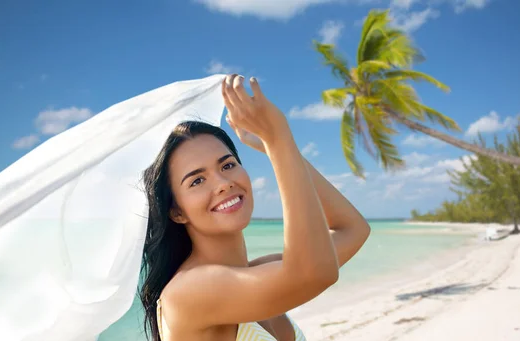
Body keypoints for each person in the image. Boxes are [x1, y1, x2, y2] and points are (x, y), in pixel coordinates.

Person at [138, 74, 371, 341]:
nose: (224, 184)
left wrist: (276, 149)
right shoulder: (187, 292)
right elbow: (315, 274)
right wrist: (279, 139)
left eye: (227, 165)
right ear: (176, 212)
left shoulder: (257, 273)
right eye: (197, 180)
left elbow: (353, 229)